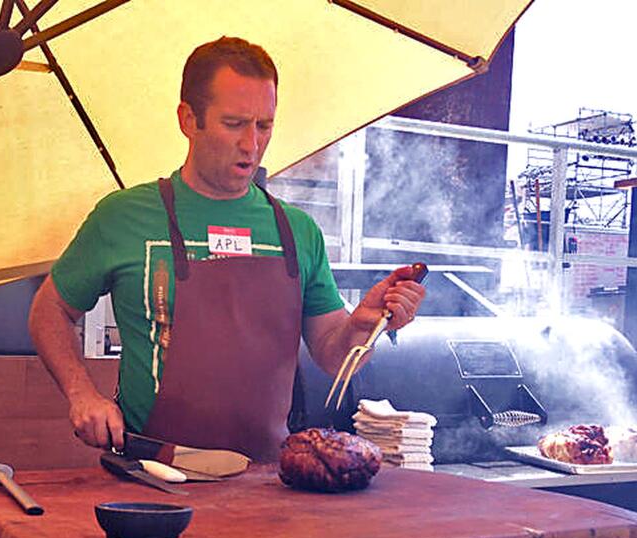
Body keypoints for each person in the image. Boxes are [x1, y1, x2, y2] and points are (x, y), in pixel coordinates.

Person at [28, 36, 426, 462]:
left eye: (264, 125)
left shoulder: (297, 231)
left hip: (269, 481)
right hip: (151, 475)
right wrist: (82, 394)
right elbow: (49, 309)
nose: (251, 144)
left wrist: (364, 325)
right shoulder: (123, 217)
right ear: (188, 119)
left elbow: (331, 353)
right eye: (234, 124)